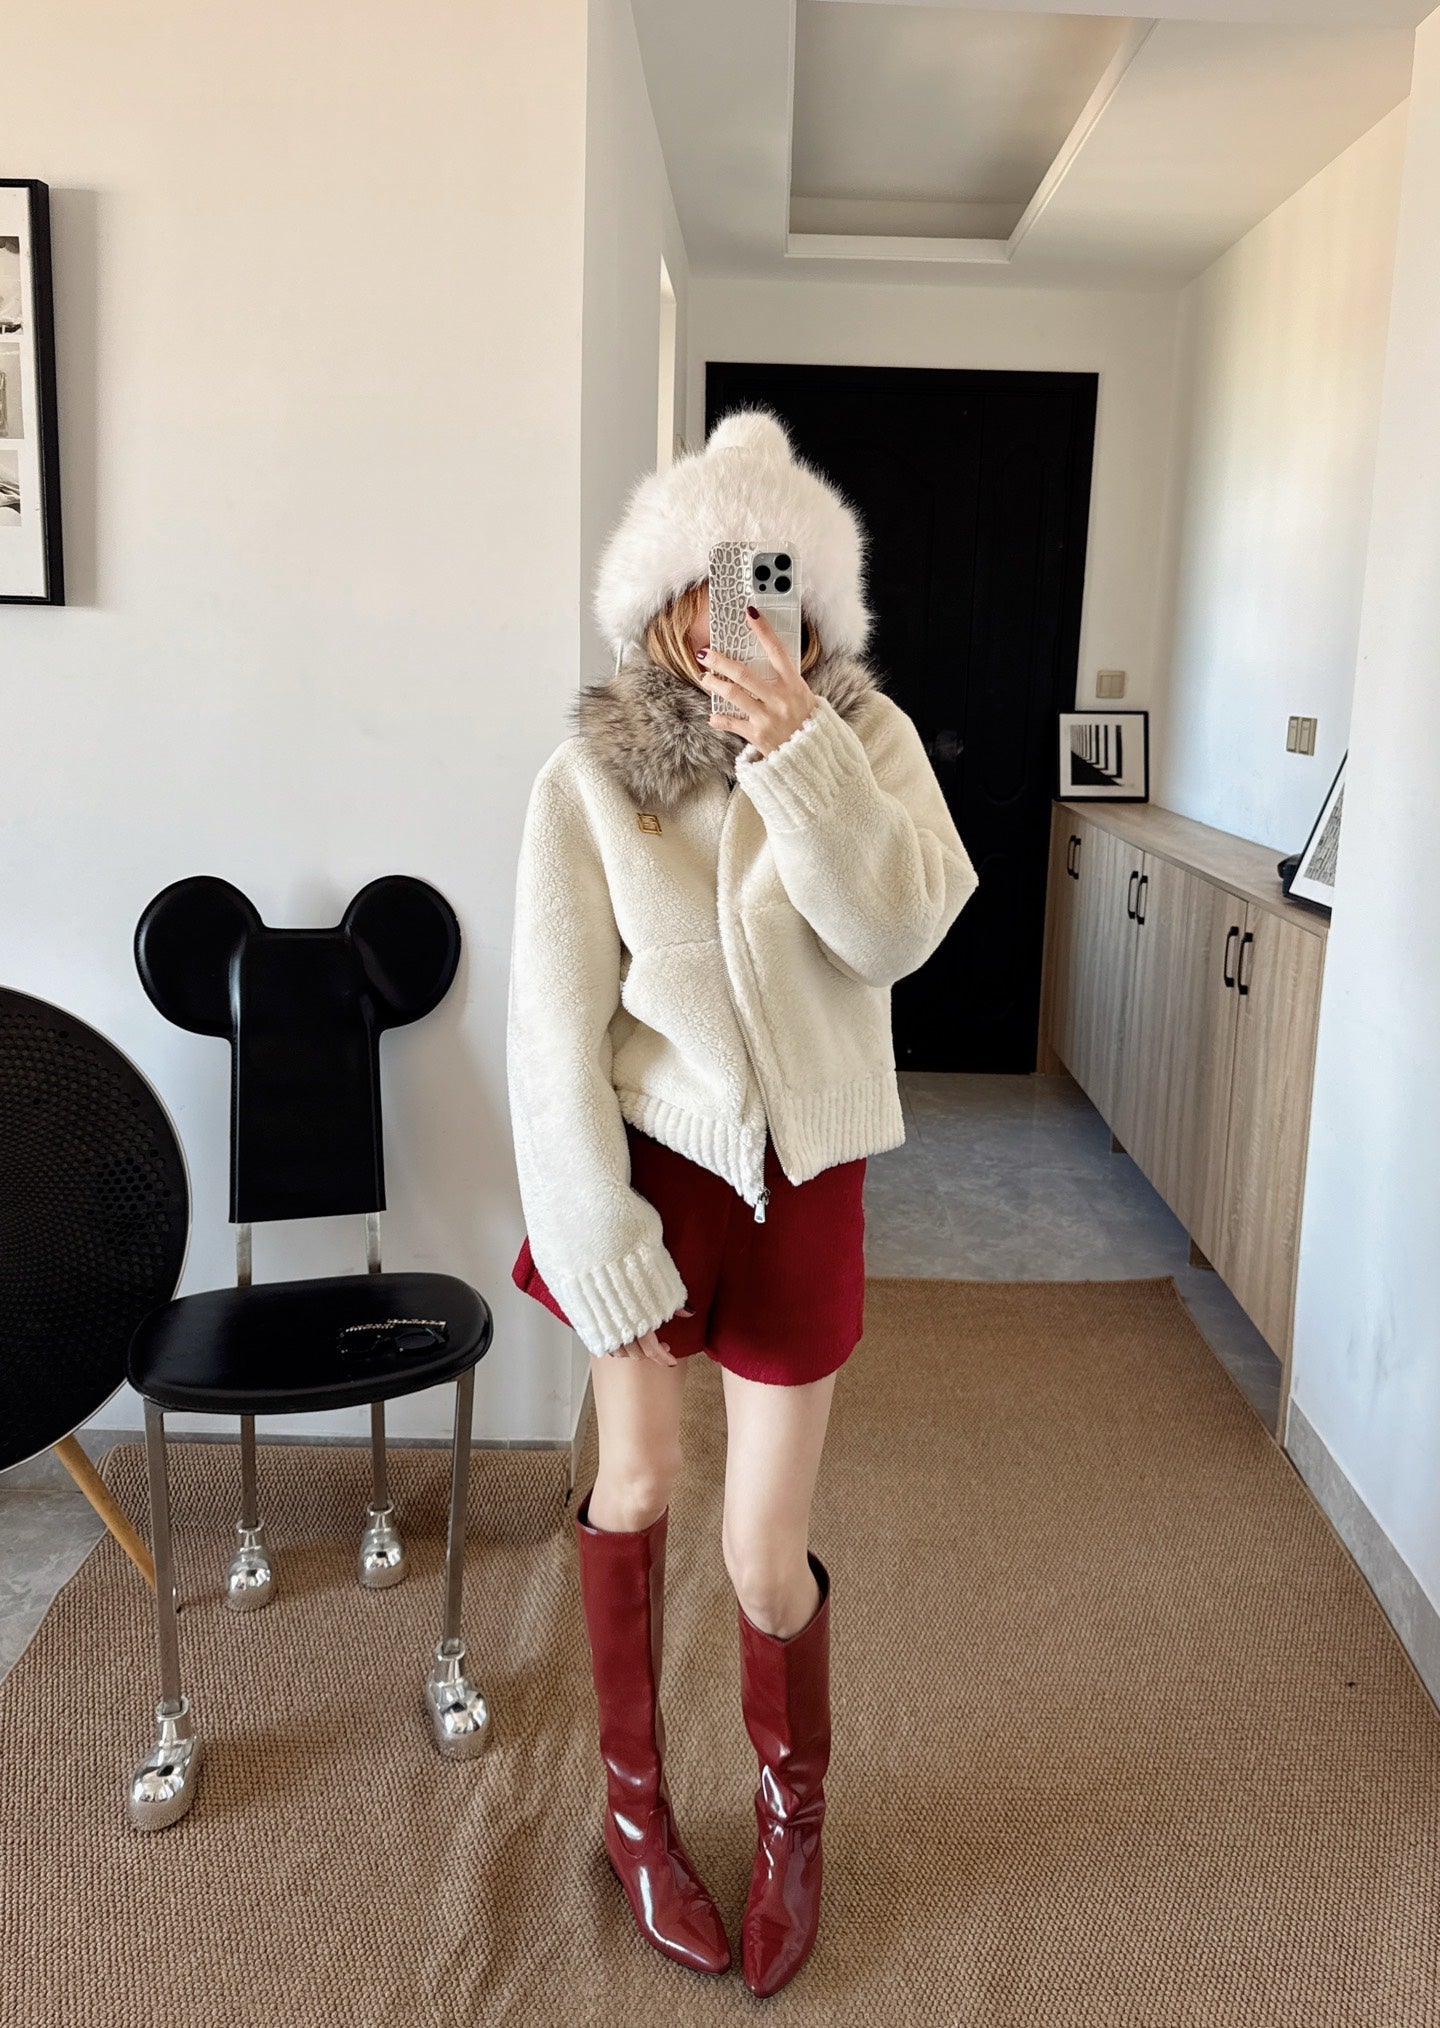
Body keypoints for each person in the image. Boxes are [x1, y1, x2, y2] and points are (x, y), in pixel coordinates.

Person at [505, 408, 980, 1996]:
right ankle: (635, 1813)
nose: (741, 613)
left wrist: (801, 754)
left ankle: (794, 1818)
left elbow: (896, 934)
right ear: (663, 599)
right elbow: (550, 1031)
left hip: (804, 1174)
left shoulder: (869, 744)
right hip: (647, 1165)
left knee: (765, 1551)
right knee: (635, 1483)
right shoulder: (590, 773)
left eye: (772, 581)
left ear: (812, 597)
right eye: (714, 582)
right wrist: (594, 1235)